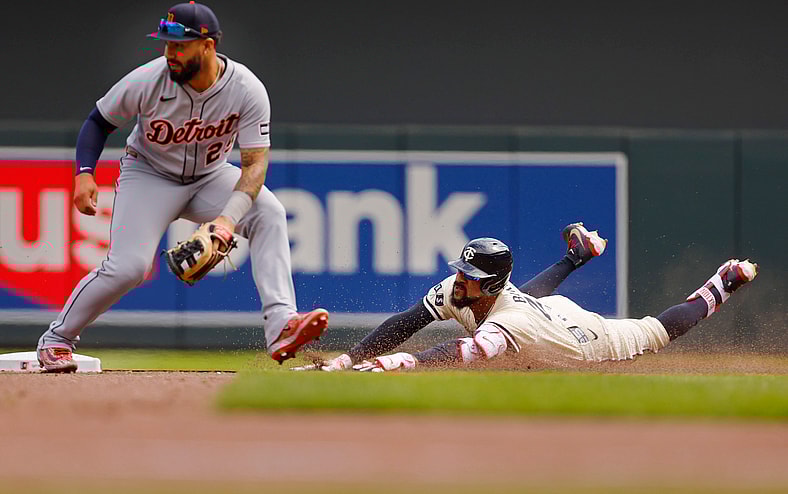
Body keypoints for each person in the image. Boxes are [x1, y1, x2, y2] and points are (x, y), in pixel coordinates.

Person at [36, 2, 328, 372]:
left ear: (207, 46)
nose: (170, 53)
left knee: (268, 212)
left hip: (210, 175)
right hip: (149, 175)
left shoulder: (246, 89)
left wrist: (227, 221)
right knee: (129, 267)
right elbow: (99, 121)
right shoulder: (147, 80)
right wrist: (84, 172)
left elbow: (254, 165)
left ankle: (281, 326)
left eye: (180, 45)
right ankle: (56, 341)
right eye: (166, 44)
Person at [295, 223, 757, 372]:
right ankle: (576, 255)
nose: (460, 282)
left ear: (490, 284)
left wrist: (401, 364)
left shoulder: (509, 320)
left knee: (656, 332)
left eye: (471, 276)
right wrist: (347, 359)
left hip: (585, 341)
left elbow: (461, 351)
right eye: (461, 270)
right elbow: (407, 321)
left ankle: (721, 284)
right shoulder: (463, 291)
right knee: (527, 298)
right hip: (539, 310)